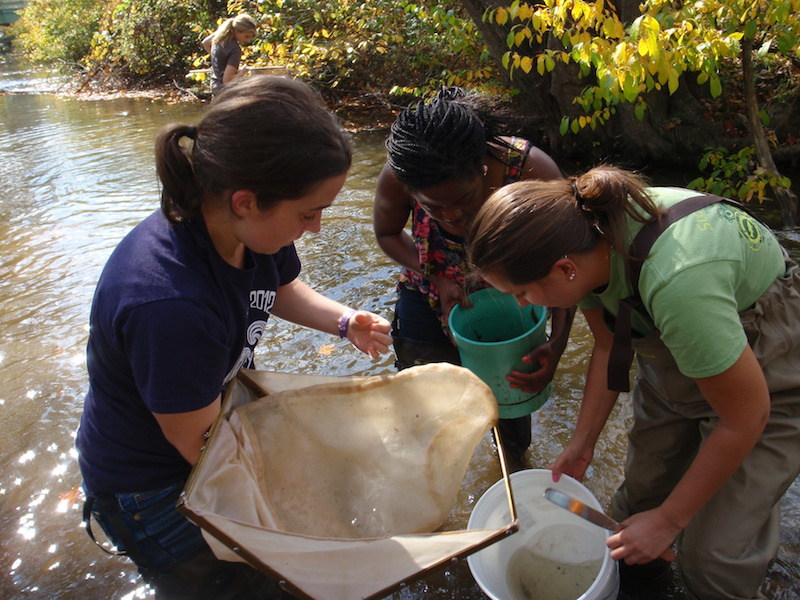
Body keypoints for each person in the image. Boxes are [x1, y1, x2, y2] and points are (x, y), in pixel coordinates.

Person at [76, 76, 392, 600]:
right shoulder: (169, 305)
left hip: (205, 425)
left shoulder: (249, 233)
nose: (314, 228)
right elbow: (198, 445)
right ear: (245, 201)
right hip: (151, 486)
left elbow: (279, 286)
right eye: (308, 213)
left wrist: (344, 321)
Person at [465, 165, 800, 600]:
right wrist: (581, 445)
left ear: (564, 269)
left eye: (522, 293)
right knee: (629, 513)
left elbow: (745, 417)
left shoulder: (680, 280)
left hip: (765, 364)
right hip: (679, 347)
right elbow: (608, 349)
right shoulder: (581, 241)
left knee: (712, 557)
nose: (521, 304)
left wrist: (671, 521)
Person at [373, 87, 575, 462]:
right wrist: (433, 275)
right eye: (434, 206)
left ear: (482, 167)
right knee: (423, 408)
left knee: (509, 409)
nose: (451, 216)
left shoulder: (530, 171)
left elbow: (567, 264)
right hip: (429, 291)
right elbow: (386, 233)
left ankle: (512, 473)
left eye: (465, 200)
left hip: (510, 299)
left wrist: (558, 343)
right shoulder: (404, 171)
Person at [202, 13, 257, 96]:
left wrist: (219, 60)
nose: (248, 40)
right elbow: (227, 81)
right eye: (246, 36)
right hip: (226, 92)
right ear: (238, 31)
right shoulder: (235, 50)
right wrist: (242, 72)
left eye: (250, 37)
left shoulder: (219, 38)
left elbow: (205, 43)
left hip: (215, 86)